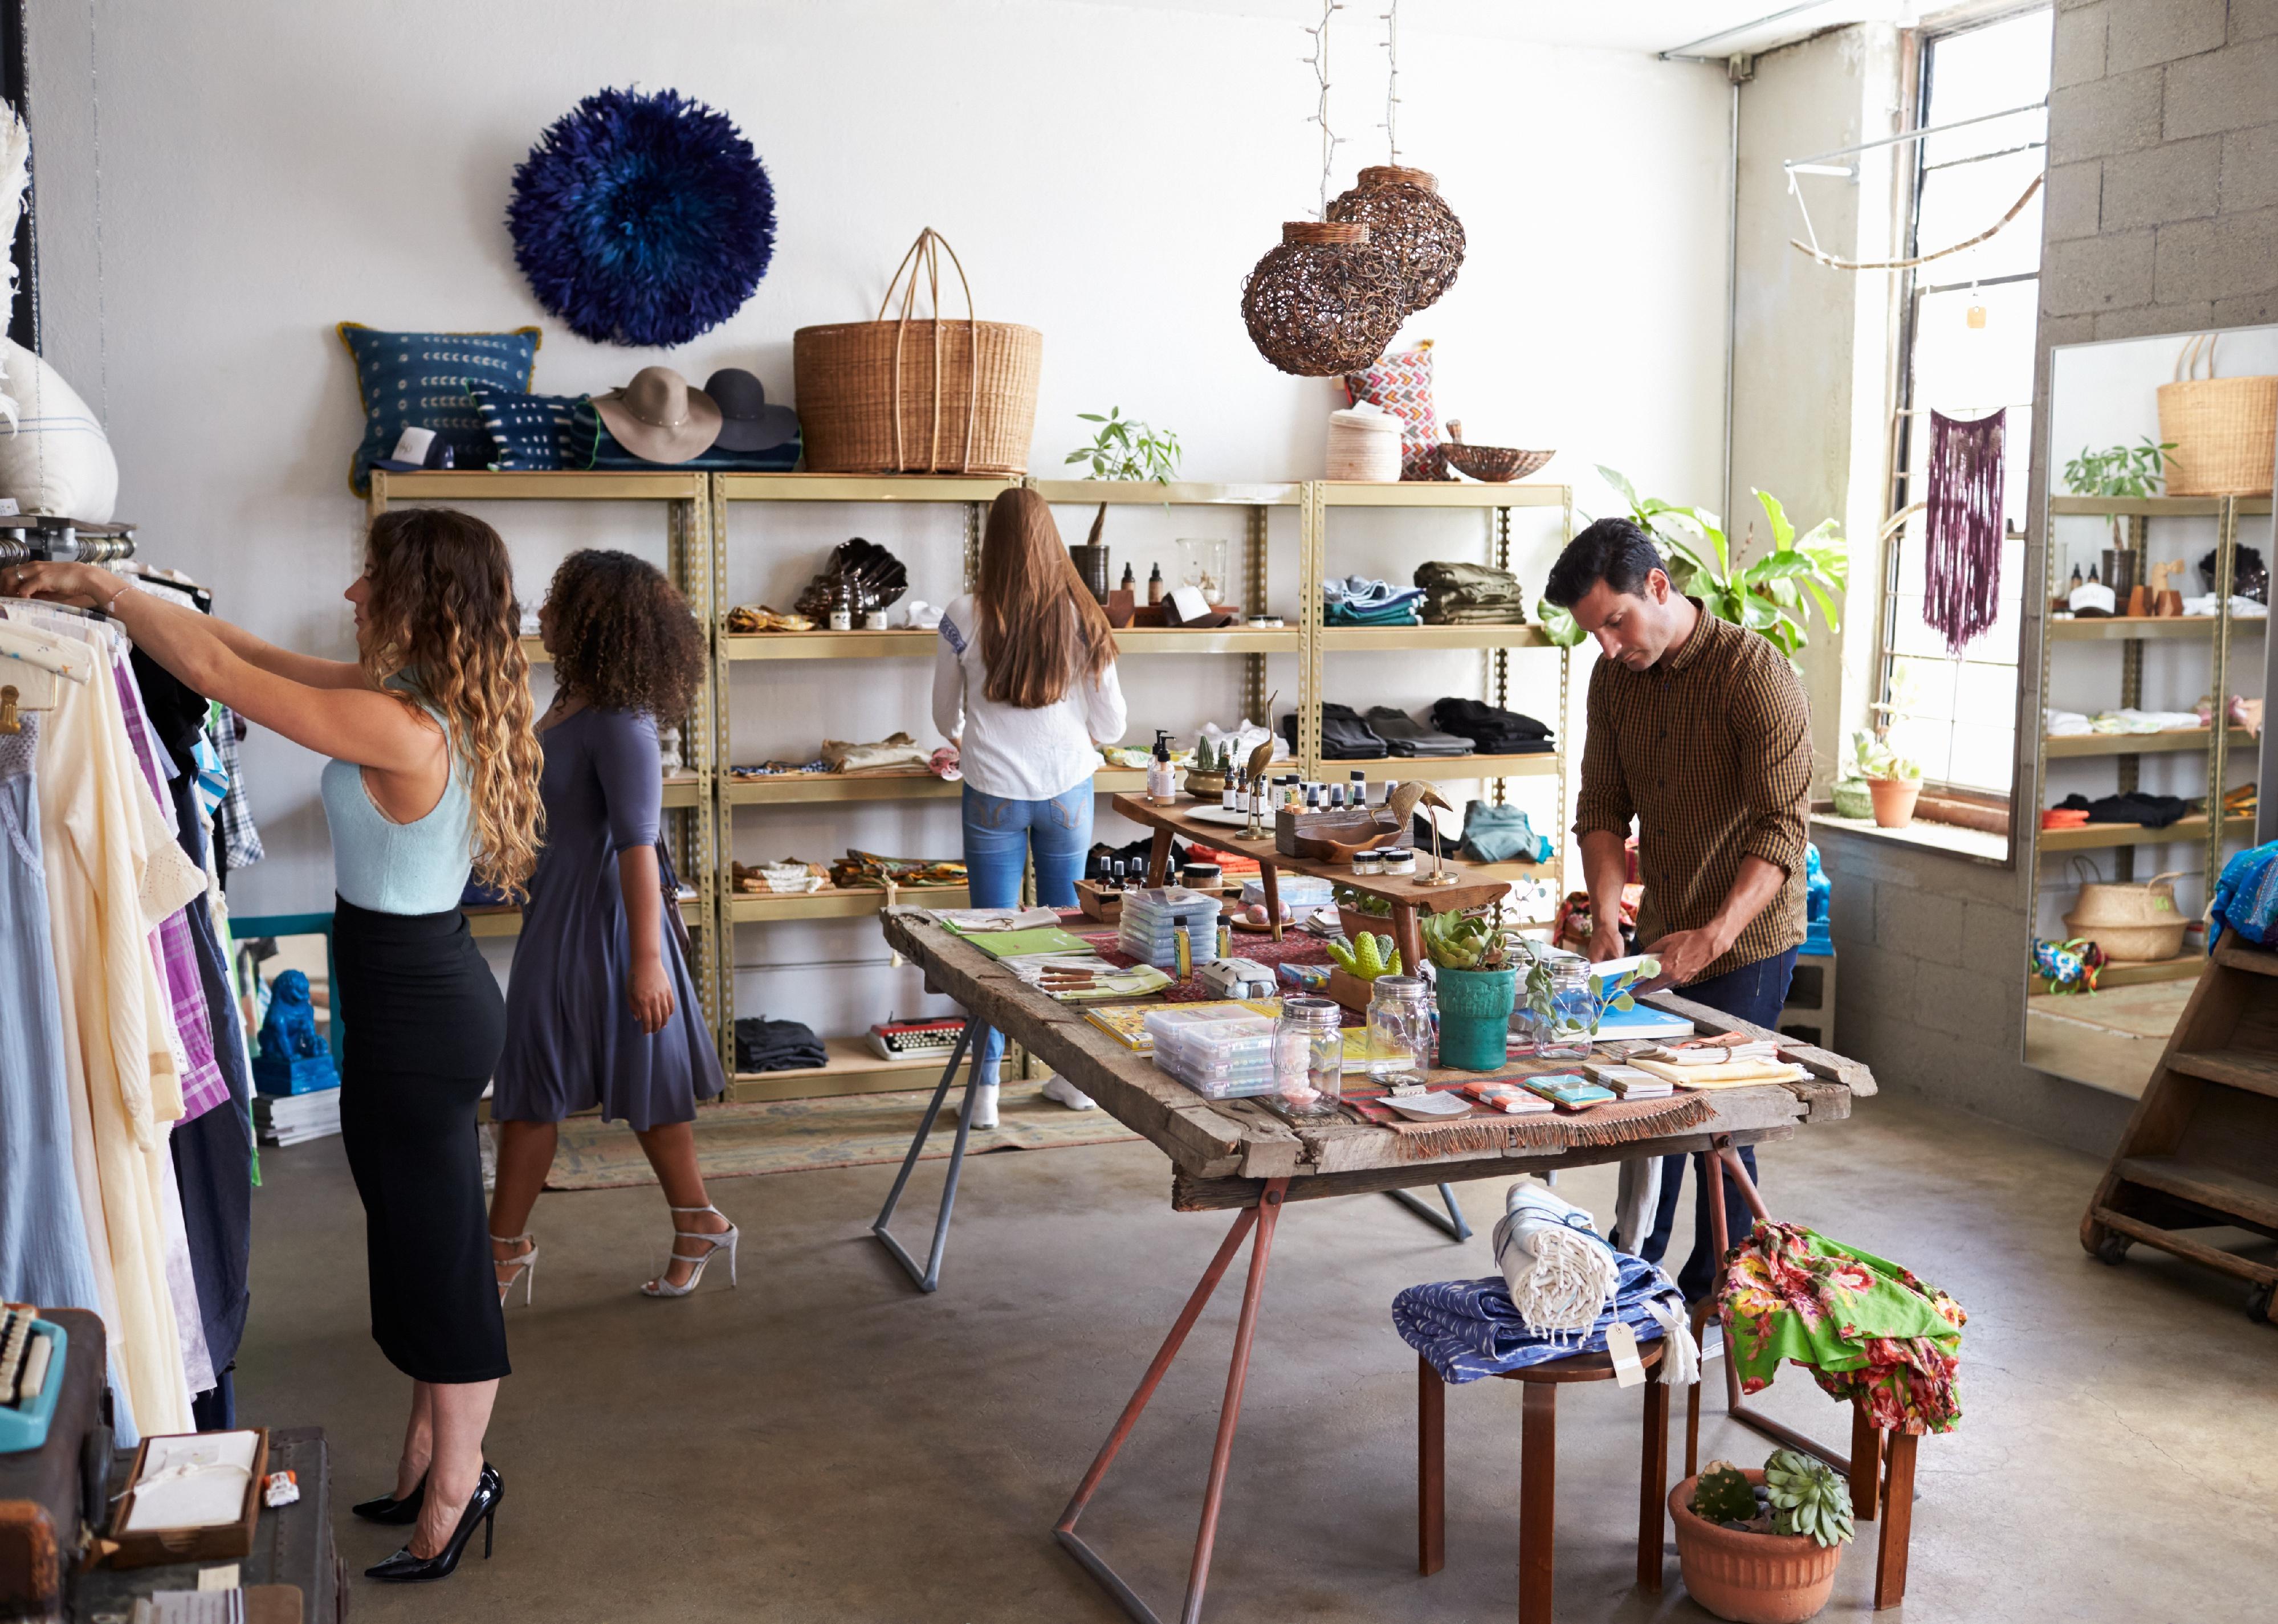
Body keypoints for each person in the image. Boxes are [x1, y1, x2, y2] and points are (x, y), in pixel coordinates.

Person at [9, 509, 543, 1581]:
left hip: (420, 1020)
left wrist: (100, 589)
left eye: (368, 580)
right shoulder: (416, 702)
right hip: (406, 1004)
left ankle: (460, 1484)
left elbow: (215, 669)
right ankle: (429, 1452)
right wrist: (138, 606)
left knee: (440, 1258)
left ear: (419, 596)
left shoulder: (410, 729)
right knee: (412, 1245)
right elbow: (240, 651)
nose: (352, 597)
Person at [1543, 516, 1812, 1300]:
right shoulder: (1615, 678)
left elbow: (1782, 827)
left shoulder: (1754, 675)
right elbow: (1601, 805)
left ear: (1657, 586)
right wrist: (1603, 917)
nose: (1608, 645)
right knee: (1651, 1100)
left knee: (1716, 1117)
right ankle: (1640, 1268)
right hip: (1660, 926)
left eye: (1615, 621)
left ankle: (1724, 1287)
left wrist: (1718, 933)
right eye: (1594, 632)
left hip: (1749, 932)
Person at [487, 550, 730, 1302]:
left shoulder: (622, 722)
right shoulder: (567, 705)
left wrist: (649, 961)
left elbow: (637, 844)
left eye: (558, 602)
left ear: (592, 620)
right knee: (537, 1080)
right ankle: (695, 1221)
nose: (541, 613)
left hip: (613, 926)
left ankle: (501, 1250)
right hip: (559, 915)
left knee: (622, 1082)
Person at [932, 488, 1128, 1127]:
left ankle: (984, 1092)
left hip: (991, 790)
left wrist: (978, 741)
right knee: (1067, 939)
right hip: (1068, 790)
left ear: (992, 541)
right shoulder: (1084, 613)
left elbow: (942, 717)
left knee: (991, 941)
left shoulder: (963, 612)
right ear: (1050, 540)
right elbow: (1115, 725)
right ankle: (1073, 1081)